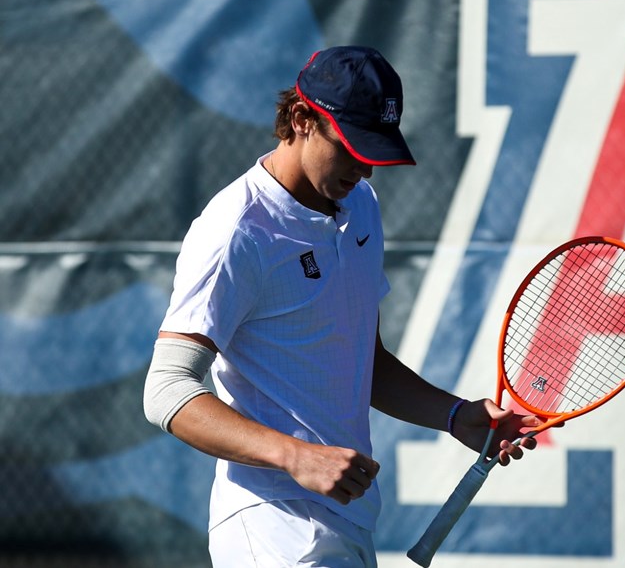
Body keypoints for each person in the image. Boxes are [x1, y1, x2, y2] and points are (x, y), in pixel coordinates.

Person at [143, 45, 541, 567]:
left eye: (374, 153)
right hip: (271, 526)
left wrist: (455, 415)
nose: (366, 171)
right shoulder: (236, 230)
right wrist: (295, 457)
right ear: (302, 119)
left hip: (346, 519)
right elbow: (166, 390)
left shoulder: (360, 206)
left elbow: (362, 361)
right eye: (352, 148)